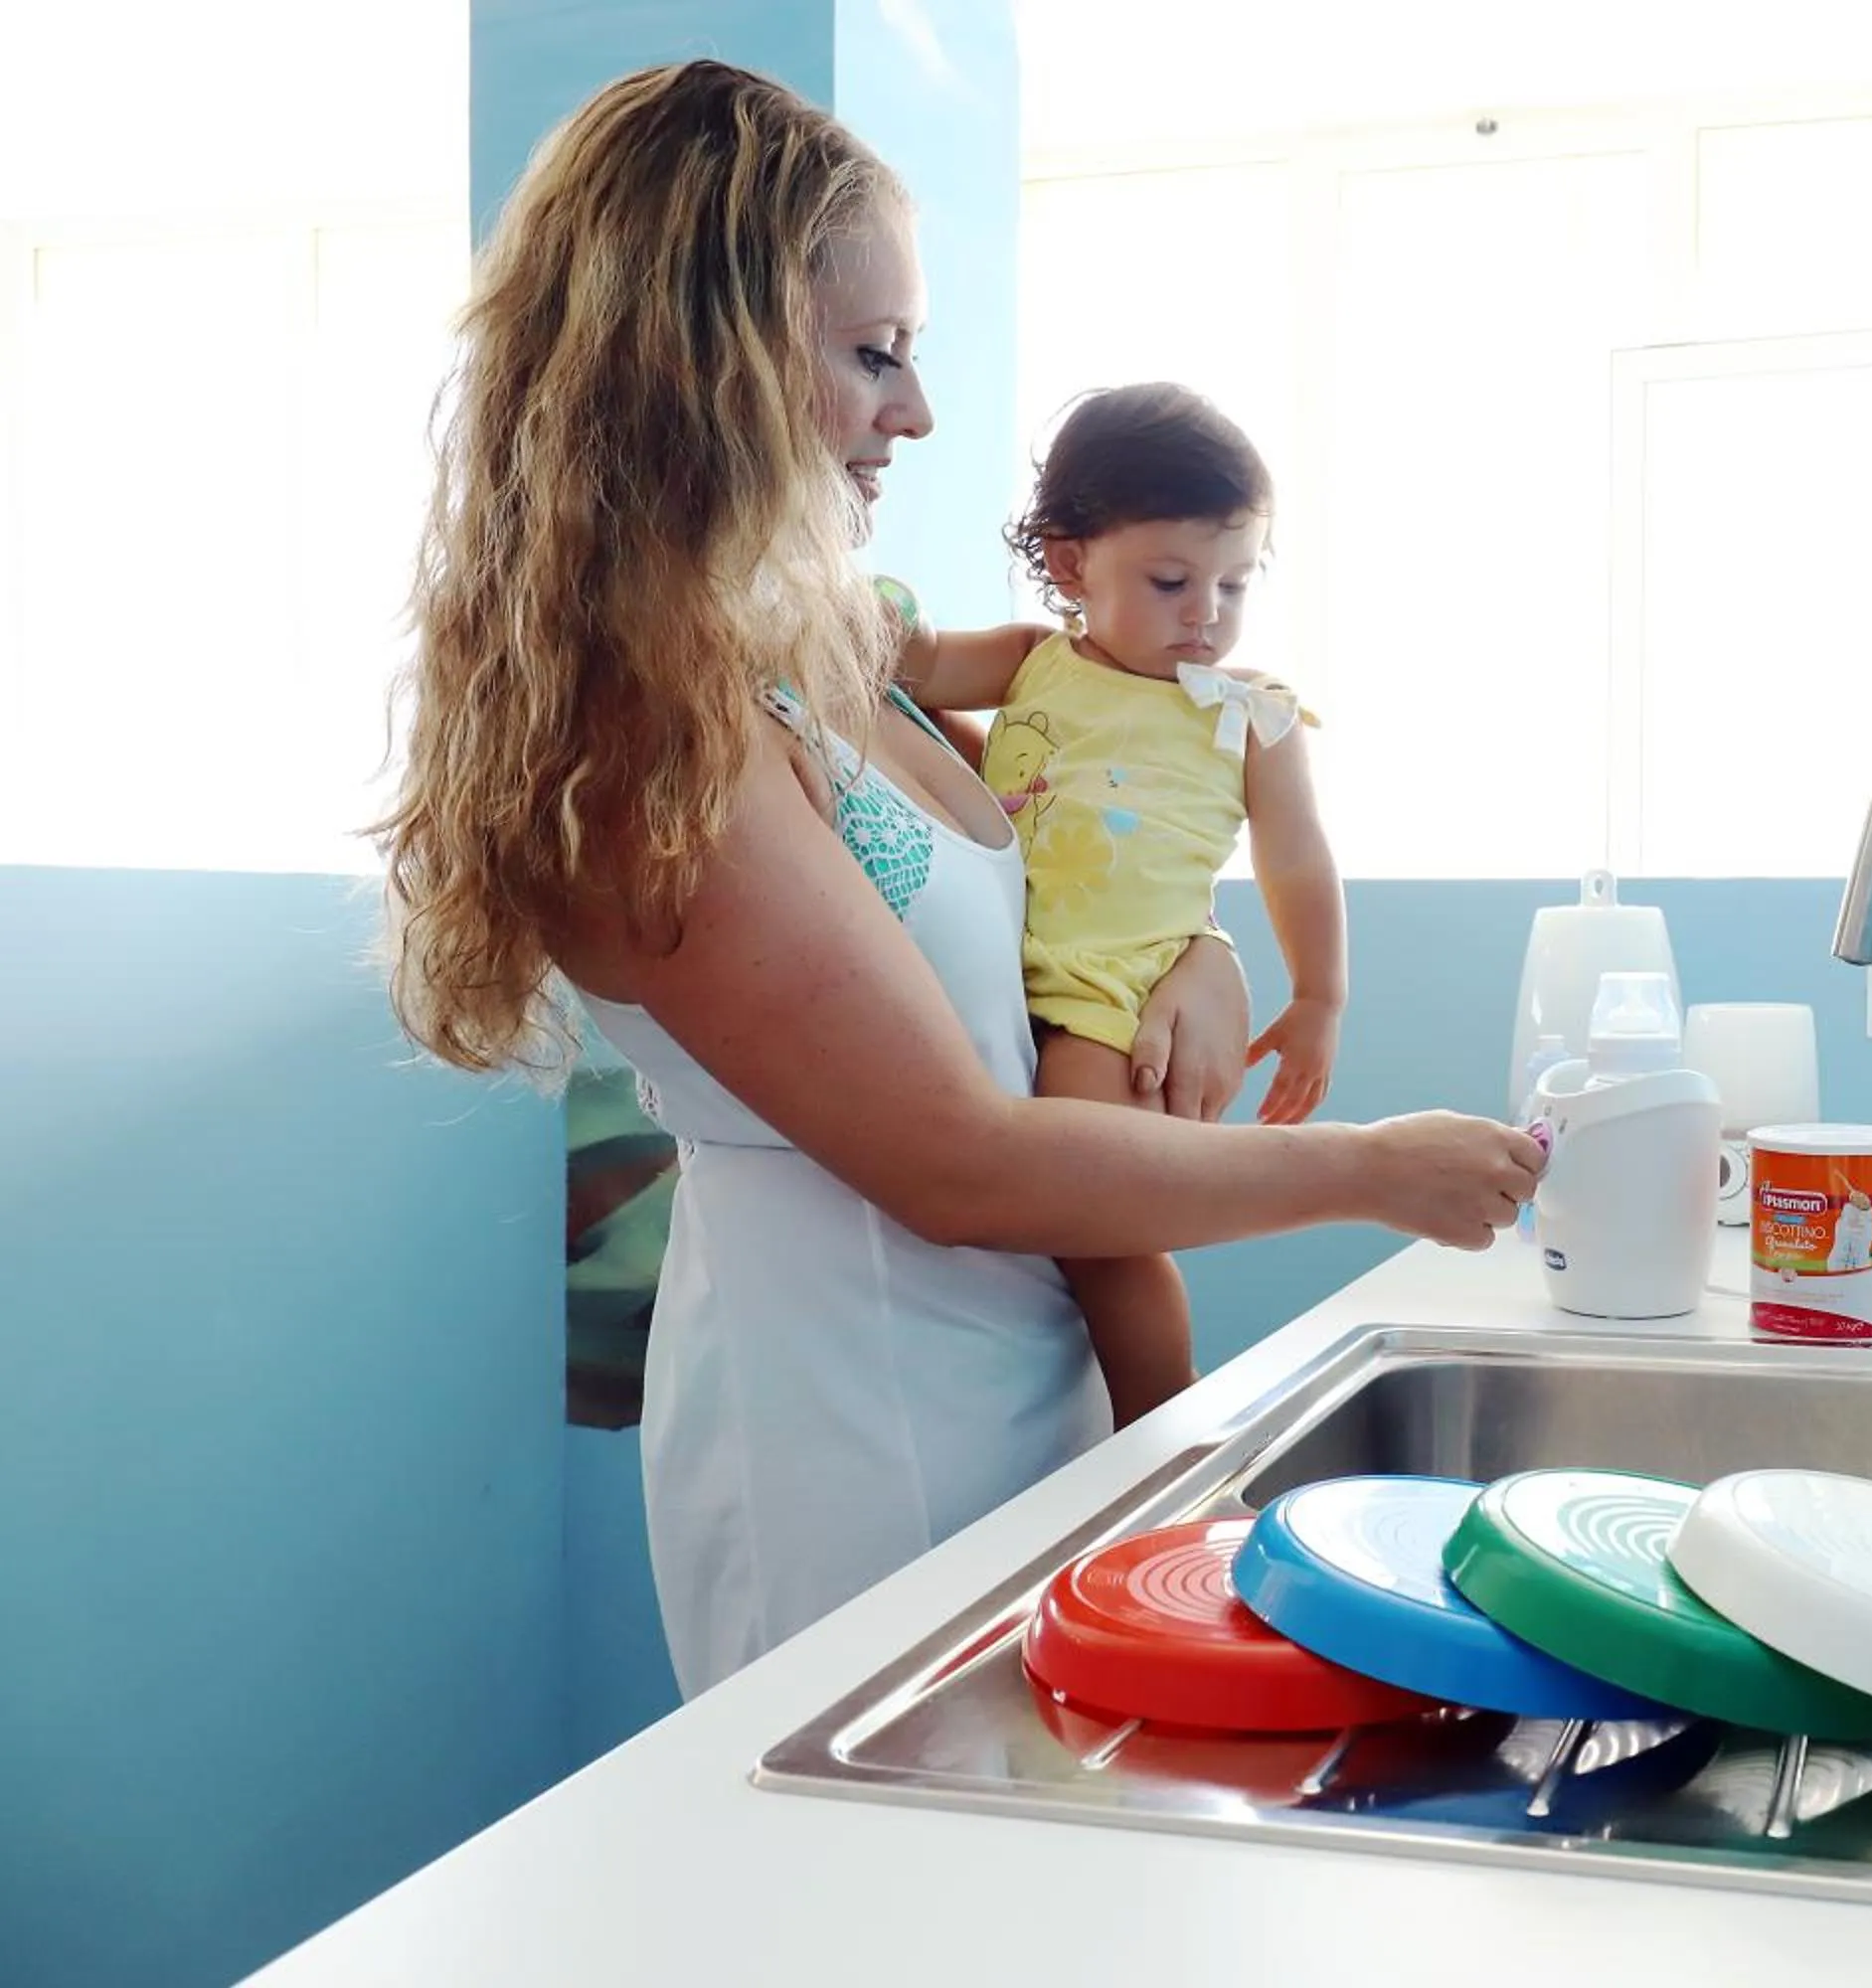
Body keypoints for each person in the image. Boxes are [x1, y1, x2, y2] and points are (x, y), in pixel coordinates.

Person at [373, 60, 1541, 1698]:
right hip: (849, 1431)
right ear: (702, 364)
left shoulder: (823, 645)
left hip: (1013, 1372)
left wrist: (1192, 947)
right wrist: (1368, 1172)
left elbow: (1046, 892)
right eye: (873, 354)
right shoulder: (651, 735)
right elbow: (960, 1163)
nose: (914, 411)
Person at [886, 384, 1331, 1431]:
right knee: (1033, 1207)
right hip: (999, 973)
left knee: (1105, 1228)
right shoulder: (1033, 658)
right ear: (1070, 561)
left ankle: (1156, 1422)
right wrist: (876, 606)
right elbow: (908, 663)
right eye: (1172, 580)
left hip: (1111, 987)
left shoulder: (1249, 712)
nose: (1206, 615)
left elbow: (1299, 862)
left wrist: (1320, 995)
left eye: (1235, 583)